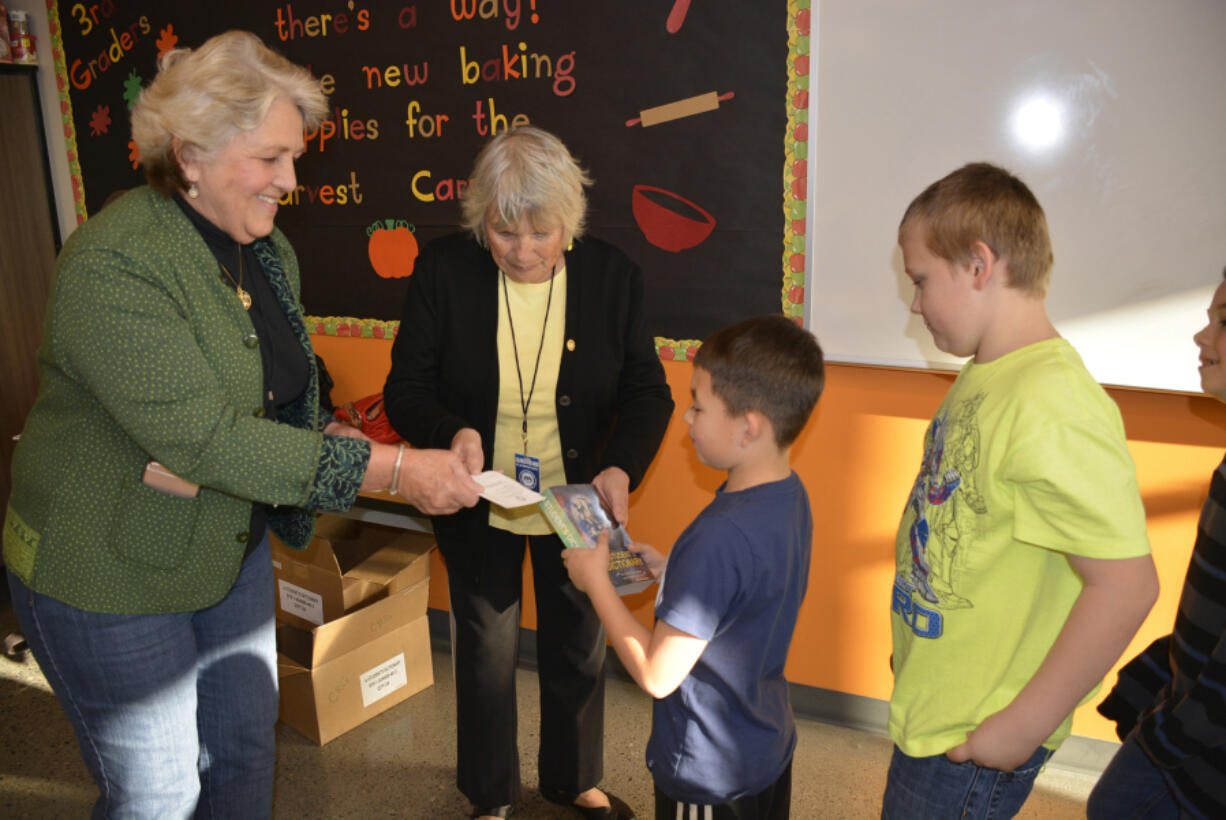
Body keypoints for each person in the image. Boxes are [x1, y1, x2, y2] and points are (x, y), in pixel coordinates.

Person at [1, 31, 481, 818]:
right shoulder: (114, 262)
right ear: (189, 153)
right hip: (109, 569)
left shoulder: (266, 250)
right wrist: (395, 473)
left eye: (294, 156)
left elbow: (275, 392)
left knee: (244, 757)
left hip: (226, 546)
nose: (290, 180)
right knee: (158, 794)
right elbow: (208, 438)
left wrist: (329, 432)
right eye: (271, 159)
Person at [382, 125, 673, 820]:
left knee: (579, 637)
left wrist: (618, 467)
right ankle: (489, 795)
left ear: (568, 222)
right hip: (480, 494)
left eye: (540, 233)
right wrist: (450, 433)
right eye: (504, 232)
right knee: (484, 651)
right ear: (480, 218)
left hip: (573, 497)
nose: (522, 251)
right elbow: (407, 388)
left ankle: (573, 779)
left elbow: (646, 392)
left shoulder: (612, 276)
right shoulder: (445, 270)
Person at [882, 162, 1160, 819]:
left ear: (979, 265)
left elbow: (1126, 585)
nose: (915, 304)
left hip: (975, 735)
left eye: (921, 280)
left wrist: (1019, 728)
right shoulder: (989, 372)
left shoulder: (1053, 401)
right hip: (938, 704)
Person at [564, 314, 825, 820]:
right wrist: (673, 571)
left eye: (698, 406)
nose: (686, 418)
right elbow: (751, 593)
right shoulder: (790, 496)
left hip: (710, 775)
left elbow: (658, 676)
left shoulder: (719, 536)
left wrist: (599, 586)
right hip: (766, 746)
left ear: (748, 427)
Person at [1086, 267, 1226, 820]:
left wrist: (1168, 735)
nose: (1201, 336)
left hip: (1200, 759)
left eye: (1223, 322)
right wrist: (1162, 669)